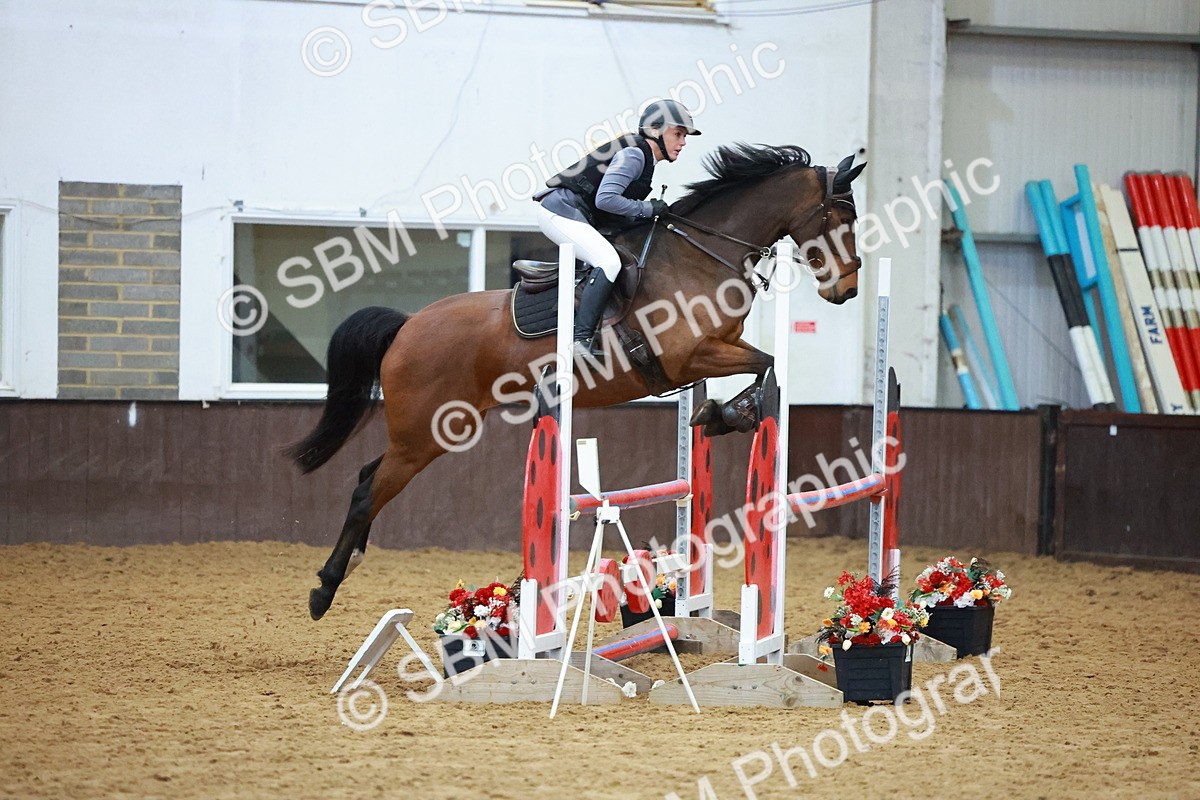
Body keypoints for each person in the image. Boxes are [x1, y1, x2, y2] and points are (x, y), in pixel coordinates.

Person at [534, 99, 700, 361]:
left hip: (575, 212)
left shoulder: (643, 156)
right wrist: (647, 209)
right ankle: (580, 340)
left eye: (684, 136)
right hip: (559, 212)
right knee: (608, 262)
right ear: (655, 131)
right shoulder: (635, 154)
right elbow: (605, 199)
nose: (683, 142)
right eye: (677, 134)